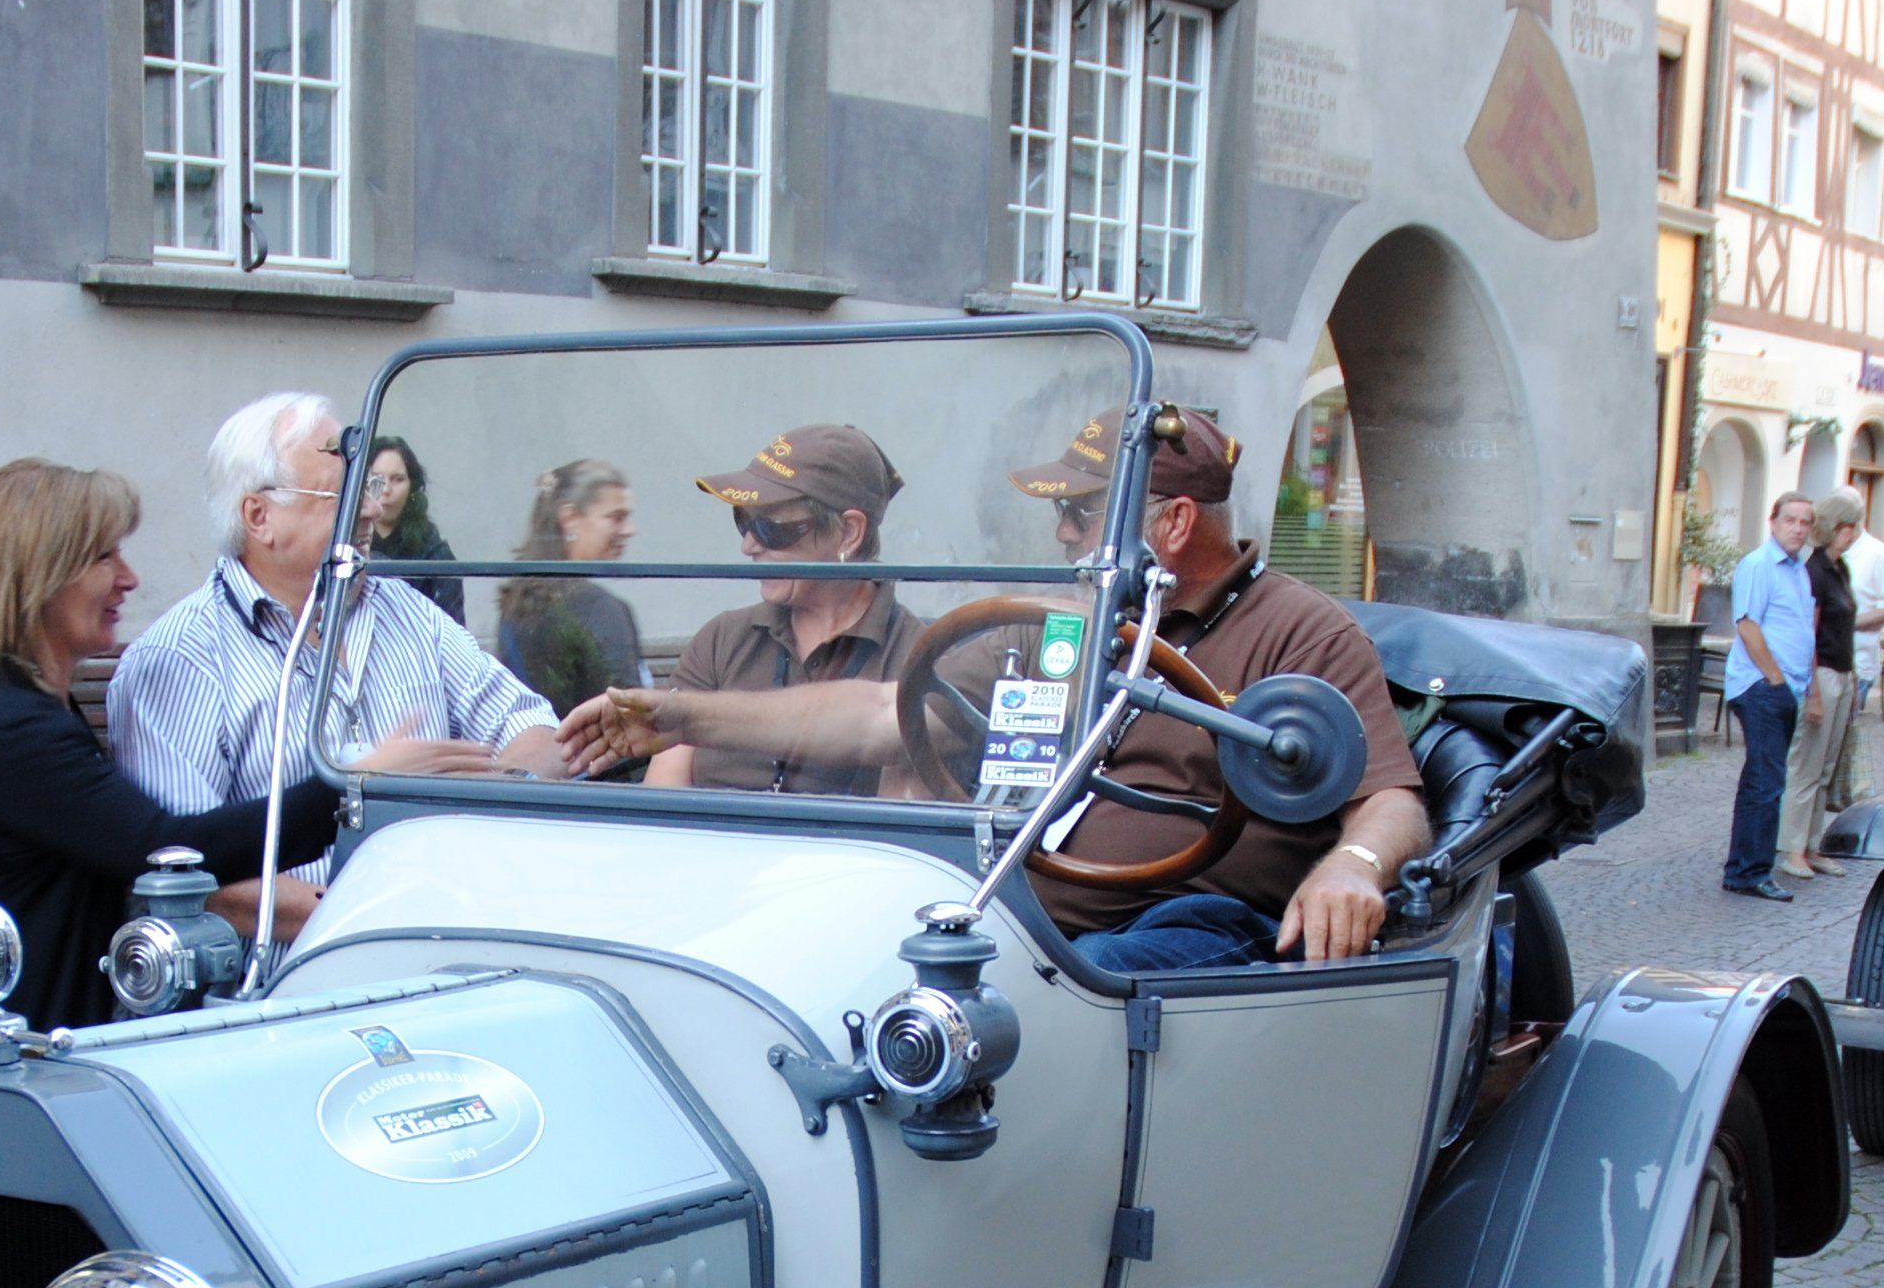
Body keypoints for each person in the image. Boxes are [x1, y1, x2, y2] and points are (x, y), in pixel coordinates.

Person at [563, 405, 1428, 969]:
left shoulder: (1301, 631)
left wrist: (1352, 868)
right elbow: (884, 716)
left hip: (1183, 923)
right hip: (1013, 907)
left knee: (1082, 980)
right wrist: (679, 715)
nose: (1062, 534)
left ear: (1172, 523)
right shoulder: (1058, 623)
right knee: (838, 957)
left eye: (1081, 512)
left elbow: (1392, 798)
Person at [0, 461, 340, 1036]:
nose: (128, 579)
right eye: (105, 557)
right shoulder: (6, 726)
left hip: (27, 1046)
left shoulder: (23, 703)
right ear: (42, 574)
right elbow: (160, 849)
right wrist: (345, 787)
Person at [110, 393, 561, 855]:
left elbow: (532, 725)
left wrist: (495, 797)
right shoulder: (177, 659)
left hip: (445, 894)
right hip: (311, 906)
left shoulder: (406, 610)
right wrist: (373, 804)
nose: (371, 510)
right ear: (259, 517)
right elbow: (185, 868)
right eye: (341, 495)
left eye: (369, 488)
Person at [647, 425, 924, 795]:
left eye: (770, 529)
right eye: (743, 521)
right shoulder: (722, 639)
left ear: (848, 533)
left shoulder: (917, 657)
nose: (748, 546)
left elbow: (902, 816)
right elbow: (662, 798)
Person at [1720, 492, 1819, 901]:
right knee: (1766, 781)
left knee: (1761, 780)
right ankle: (1751, 872)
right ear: (1773, 522)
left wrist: (1802, 685)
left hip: (1785, 687)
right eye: (1790, 520)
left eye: (1805, 522)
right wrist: (1775, 679)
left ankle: (1743, 868)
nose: (1798, 528)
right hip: (1762, 686)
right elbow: (1747, 625)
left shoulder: (1798, 571)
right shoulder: (1759, 564)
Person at [495, 459, 645, 716]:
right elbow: (628, 712)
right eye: (616, 517)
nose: (630, 530)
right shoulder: (599, 608)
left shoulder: (518, 600)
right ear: (570, 518)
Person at [1780, 491, 1866, 881]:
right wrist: (1813, 691)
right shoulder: (1814, 571)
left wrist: (1852, 679)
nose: (1855, 534)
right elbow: (1808, 637)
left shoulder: (1839, 568)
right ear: (1837, 527)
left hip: (1842, 674)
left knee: (1826, 767)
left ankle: (1812, 845)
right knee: (1807, 766)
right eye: (1851, 527)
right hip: (1823, 674)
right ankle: (1791, 847)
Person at [357, 436, 467, 622]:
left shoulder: (435, 554)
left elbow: (452, 630)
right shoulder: (348, 543)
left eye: (398, 479)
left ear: (412, 486)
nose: (386, 489)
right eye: (377, 478)